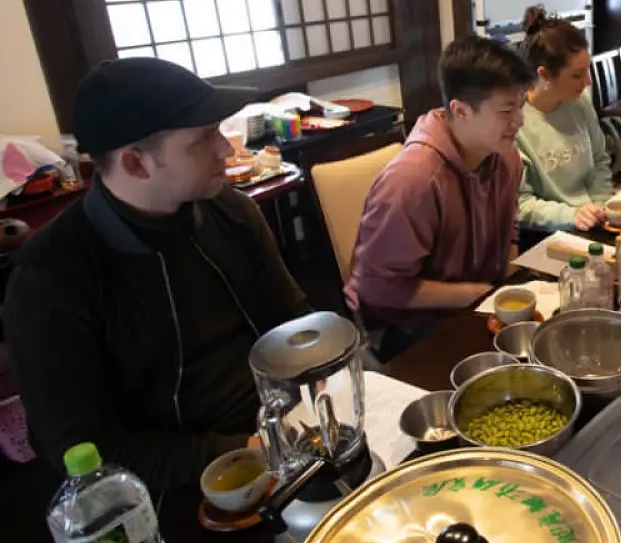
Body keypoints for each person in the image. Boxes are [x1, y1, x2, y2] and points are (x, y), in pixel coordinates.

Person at [1, 57, 308, 494]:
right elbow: (83, 449)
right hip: (173, 486)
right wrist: (244, 450)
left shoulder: (231, 213)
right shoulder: (49, 278)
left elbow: (295, 323)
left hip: (286, 430)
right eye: (204, 138)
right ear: (135, 164)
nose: (226, 149)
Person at [345, 35, 533, 331]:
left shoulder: (506, 158)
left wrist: (508, 285)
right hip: (410, 330)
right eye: (507, 111)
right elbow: (378, 287)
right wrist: (474, 294)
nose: (520, 120)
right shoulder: (413, 180)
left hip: (479, 309)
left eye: (521, 106)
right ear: (460, 111)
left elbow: (509, 229)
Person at [514, 6, 613, 232]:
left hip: (593, 219)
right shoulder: (515, 123)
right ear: (544, 75)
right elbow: (520, 204)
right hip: (550, 232)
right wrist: (572, 215)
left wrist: (598, 206)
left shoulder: (580, 102)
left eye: (588, 70)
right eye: (577, 75)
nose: (587, 81)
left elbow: (600, 160)